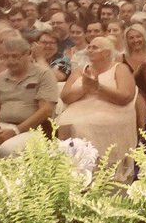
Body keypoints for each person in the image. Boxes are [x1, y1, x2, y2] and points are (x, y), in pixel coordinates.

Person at [58, 37, 138, 183]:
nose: (89, 50)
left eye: (95, 47)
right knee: (64, 123)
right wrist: (84, 88)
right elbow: (65, 97)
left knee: (82, 126)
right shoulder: (80, 70)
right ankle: (70, 173)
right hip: (81, 111)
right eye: (89, 47)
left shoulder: (120, 68)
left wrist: (98, 88)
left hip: (112, 111)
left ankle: (93, 173)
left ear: (107, 53)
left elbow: (126, 96)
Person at [0, 37, 57, 157]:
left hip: (34, 130)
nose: (10, 61)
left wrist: (15, 131)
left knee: (7, 149)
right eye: (6, 57)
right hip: (3, 126)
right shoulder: (0, 78)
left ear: (28, 54)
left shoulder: (43, 75)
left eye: (15, 56)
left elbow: (46, 111)